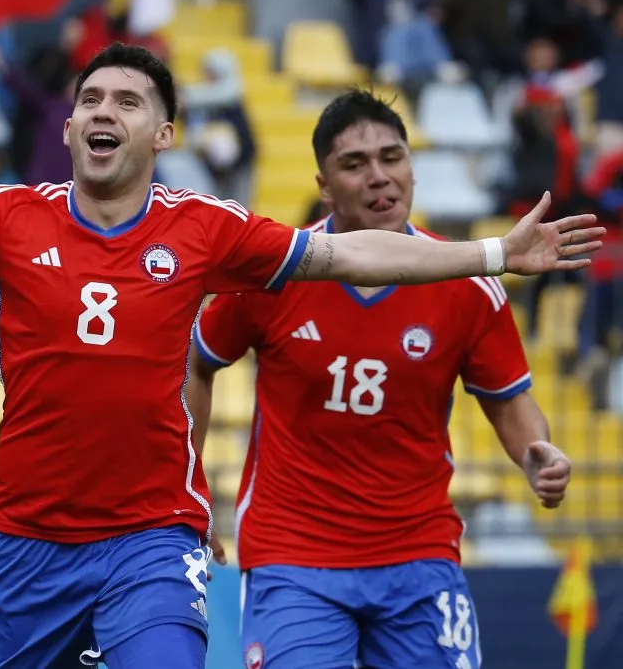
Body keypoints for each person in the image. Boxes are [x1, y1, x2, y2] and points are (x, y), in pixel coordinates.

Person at [0, 44, 601, 669]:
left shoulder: (210, 230)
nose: (103, 107)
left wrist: (487, 254)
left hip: (152, 538)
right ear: (73, 120)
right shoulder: (6, 218)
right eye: (92, 94)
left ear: (161, 131)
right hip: (26, 538)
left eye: (128, 98)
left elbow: (343, 251)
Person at [186, 90, 575, 669]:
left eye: (392, 158)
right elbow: (196, 361)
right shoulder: (275, 271)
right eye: (354, 164)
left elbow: (511, 403)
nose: (379, 177)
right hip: (294, 554)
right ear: (323, 184)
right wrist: (187, 485)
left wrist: (535, 453)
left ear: (413, 167)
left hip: (418, 552)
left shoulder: (469, 283)